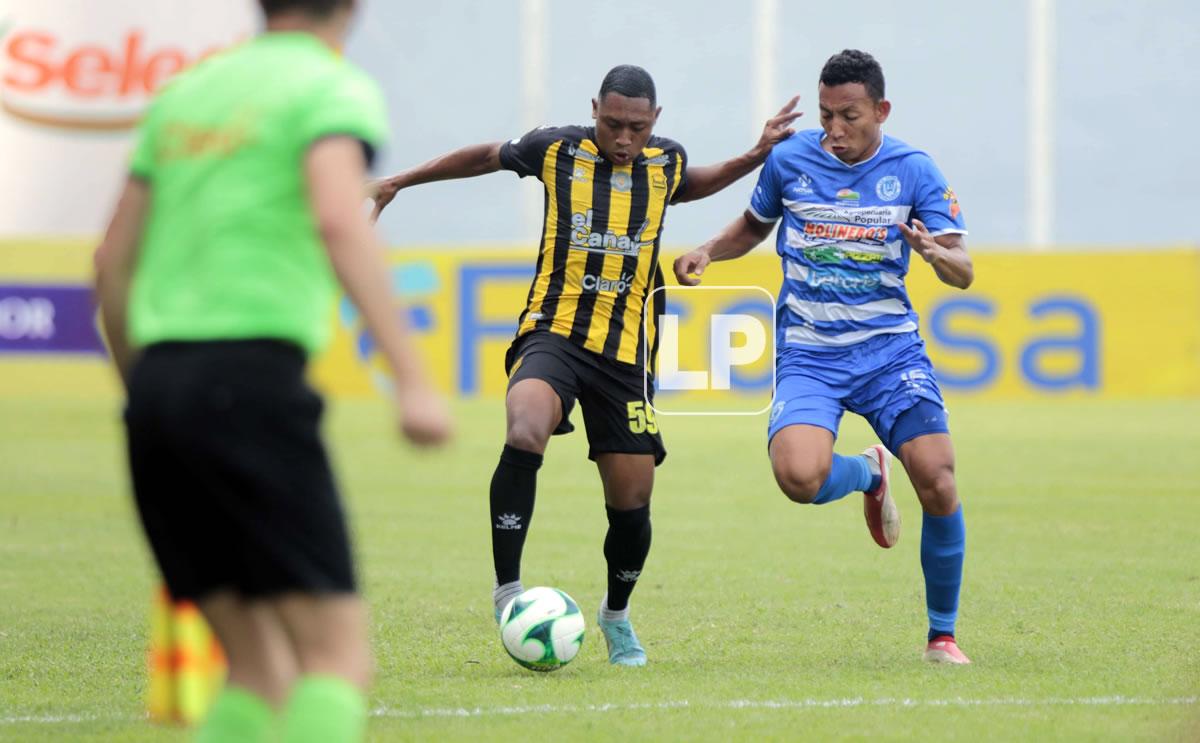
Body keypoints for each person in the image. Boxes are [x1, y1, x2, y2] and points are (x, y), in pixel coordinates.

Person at [93, 1, 452, 741]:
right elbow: (337, 216)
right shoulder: (329, 88)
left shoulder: (188, 93)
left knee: (256, 669)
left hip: (159, 394)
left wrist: (147, 390)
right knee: (335, 660)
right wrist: (412, 377)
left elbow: (109, 262)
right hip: (250, 384)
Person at [371, 65, 801, 666]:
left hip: (626, 356)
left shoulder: (665, 162)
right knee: (525, 425)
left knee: (632, 501)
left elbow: (694, 180)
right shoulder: (556, 150)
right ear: (594, 108)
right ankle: (508, 591)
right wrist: (399, 180)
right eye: (612, 123)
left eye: (636, 128)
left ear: (655, 123)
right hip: (554, 333)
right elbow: (484, 157)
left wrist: (755, 154)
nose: (623, 138)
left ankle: (616, 616)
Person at [674, 49, 973, 664]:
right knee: (798, 478)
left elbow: (962, 270)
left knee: (939, 479)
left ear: (881, 110)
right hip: (810, 354)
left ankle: (941, 635)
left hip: (890, 353)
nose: (834, 130)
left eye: (850, 116)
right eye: (826, 114)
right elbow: (754, 226)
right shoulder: (790, 160)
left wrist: (934, 255)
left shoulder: (915, 170)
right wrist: (707, 250)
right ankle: (868, 473)